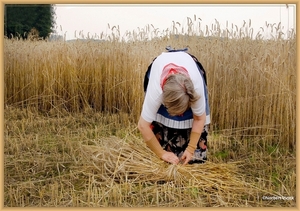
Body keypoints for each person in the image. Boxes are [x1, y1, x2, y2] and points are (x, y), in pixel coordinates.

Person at [138, 47, 211, 165]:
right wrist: (162, 153)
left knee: (195, 163)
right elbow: (142, 126)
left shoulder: (196, 88)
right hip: (162, 81)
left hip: (189, 78)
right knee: (160, 160)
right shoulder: (156, 91)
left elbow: (199, 118)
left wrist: (191, 149)